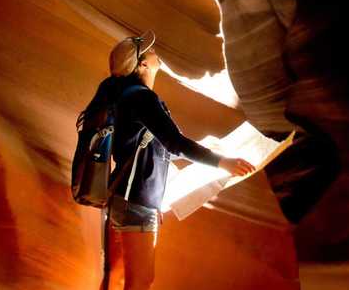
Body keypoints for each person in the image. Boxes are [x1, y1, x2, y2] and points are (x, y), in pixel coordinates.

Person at [93, 30, 255, 290]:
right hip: (135, 203)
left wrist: (156, 200)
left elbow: (151, 153)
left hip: (121, 198)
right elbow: (175, 143)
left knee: (115, 277)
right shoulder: (141, 98)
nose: (157, 53)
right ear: (143, 64)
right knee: (140, 281)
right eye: (151, 51)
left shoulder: (126, 97)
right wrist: (222, 162)